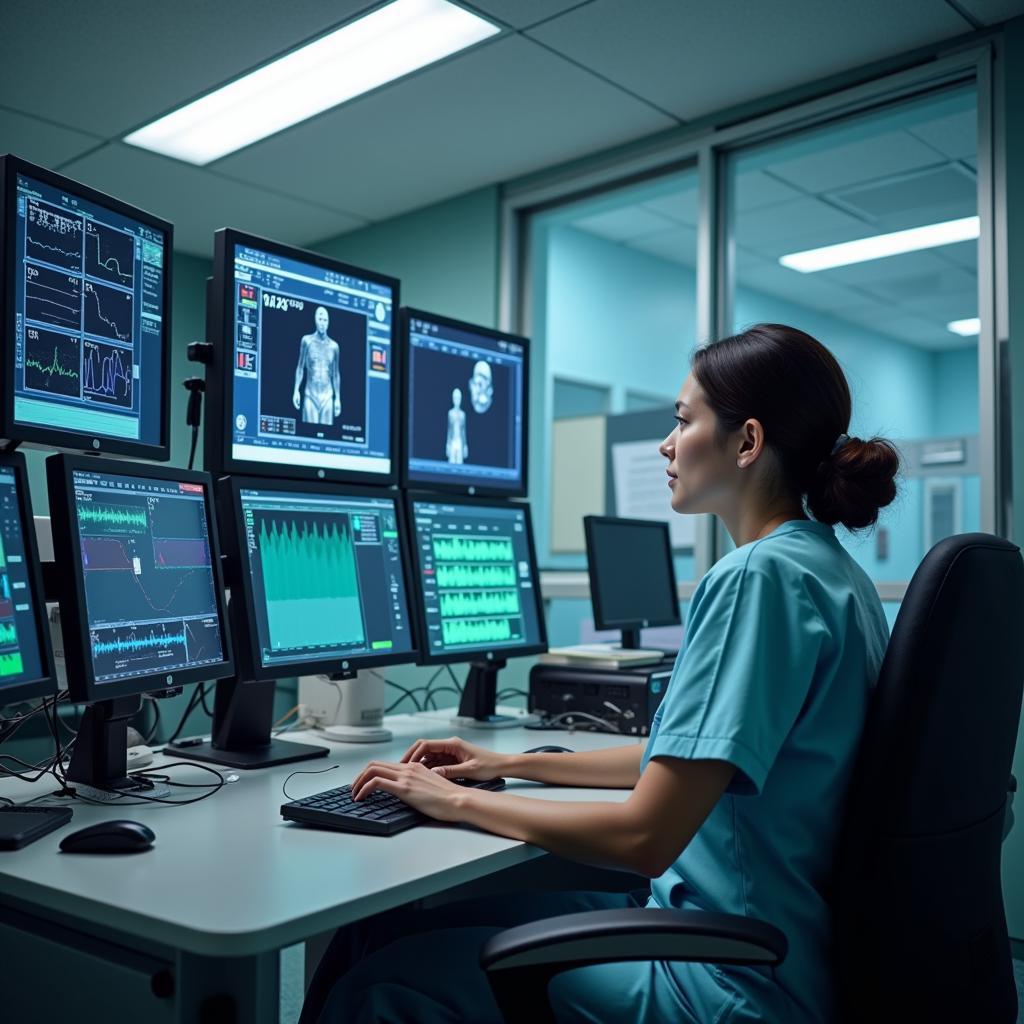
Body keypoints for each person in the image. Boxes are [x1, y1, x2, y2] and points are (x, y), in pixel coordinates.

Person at [301, 323, 900, 1024]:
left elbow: (646, 835)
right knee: (392, 924)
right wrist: (506, 764)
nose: (666, 445)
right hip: (760, 943)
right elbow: (683, 761)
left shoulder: (758, 579)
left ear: (747, 442)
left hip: (726, 979)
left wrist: (453, 801)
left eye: (683, 422)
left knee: (384, 979)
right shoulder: (832, 573)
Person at [293, 305, 341, 425]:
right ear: (315, 320)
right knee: (309, 433)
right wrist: (296, 390)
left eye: (325, 320)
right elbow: (300, 367)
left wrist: (338, 398)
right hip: (311, 394)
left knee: (327, 438)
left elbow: (335, 374)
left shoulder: (334, 346)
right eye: (320, 319)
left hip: (327, 396)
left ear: (328, 322)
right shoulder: (306, 341)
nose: (322, 323)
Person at [446, 386, 468, 464]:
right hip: (452, 441)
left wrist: (465, 445)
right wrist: (448, 444)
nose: (457, 400)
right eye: (455, 398)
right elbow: (449, 429)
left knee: (459, 464)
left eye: (458, 398)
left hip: (459, 441)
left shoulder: (463, 414)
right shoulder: (450, 413)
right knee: (451, 463)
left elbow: (463, 430)